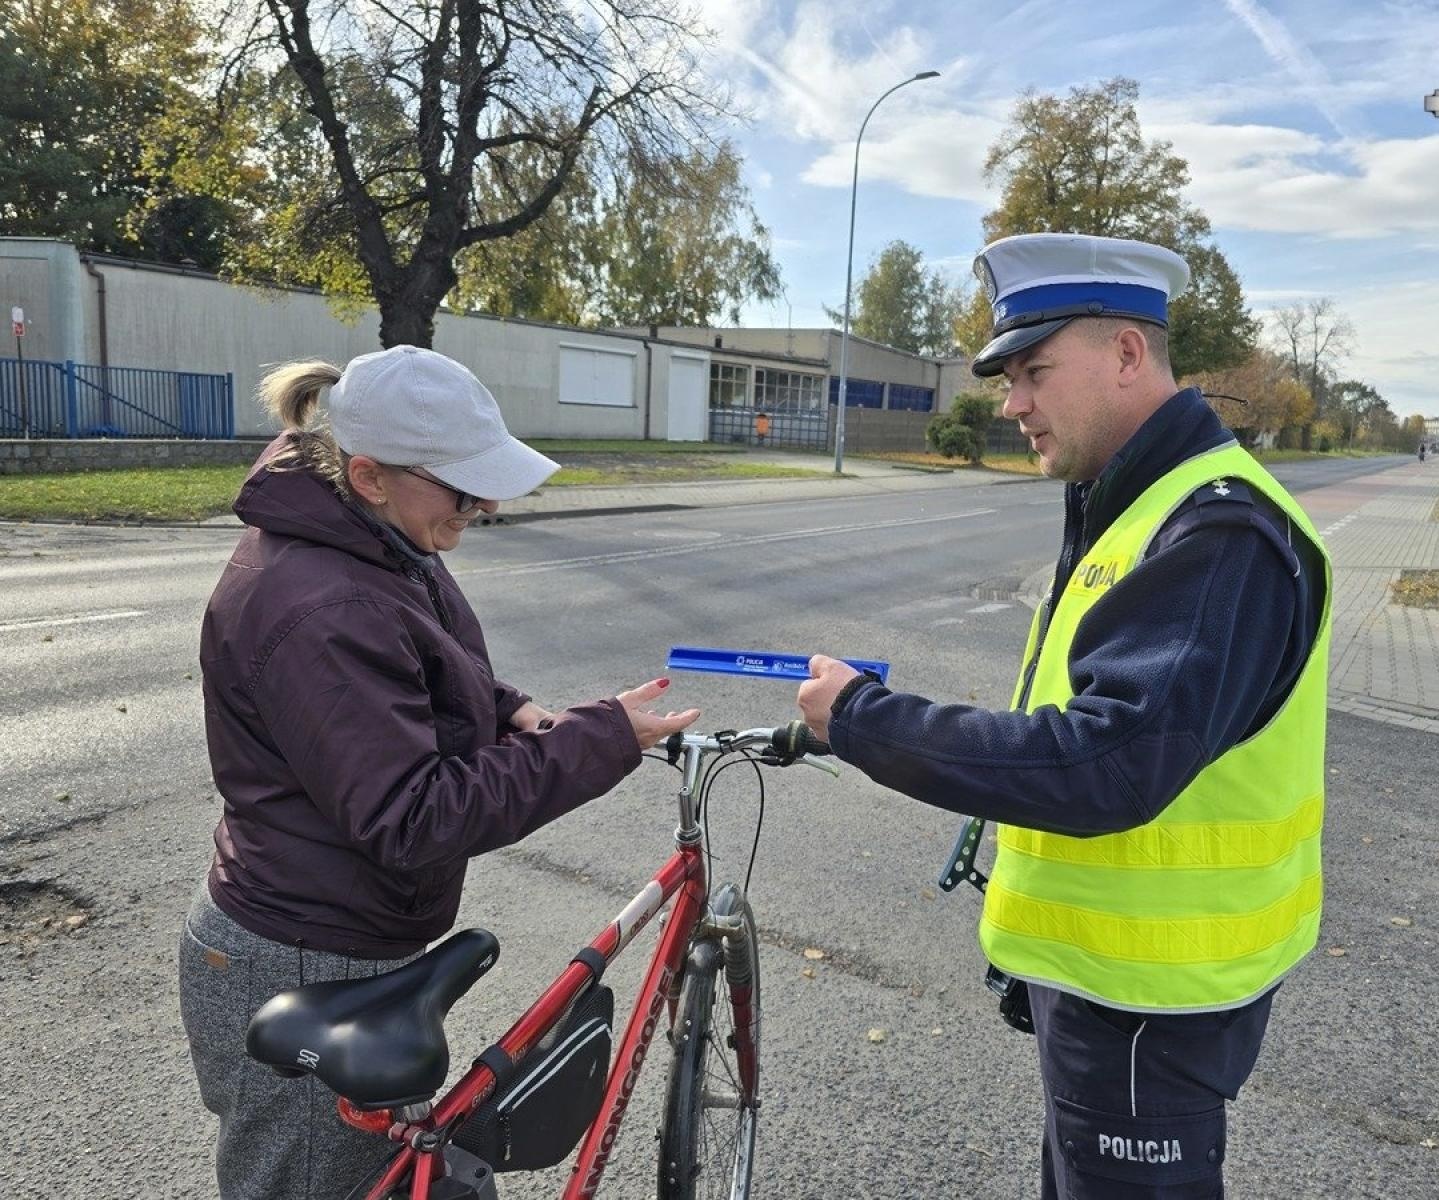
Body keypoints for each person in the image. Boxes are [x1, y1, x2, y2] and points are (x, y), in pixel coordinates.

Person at [797, 233, 1331, 1199]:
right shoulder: (1134, 501)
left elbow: (1104, 762)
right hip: (1116, 986)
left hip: (1150, 1003)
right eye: (1005, 378)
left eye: (1033, 371)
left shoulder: (1216, 530)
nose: (1010, 405)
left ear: (1127, 354)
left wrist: (864, 719)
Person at [179, 345, 698, 1199]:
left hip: (336, 938)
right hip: (302, 957)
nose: (486, 503)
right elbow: (411, 817)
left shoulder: (371, 539)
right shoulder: (323, 600)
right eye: (462, 484)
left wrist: (507, 712)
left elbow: (416, 664)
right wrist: (595, 740)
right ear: (371, 474)